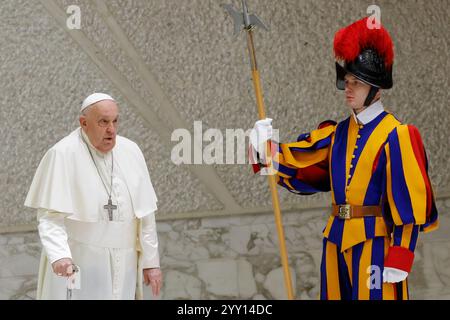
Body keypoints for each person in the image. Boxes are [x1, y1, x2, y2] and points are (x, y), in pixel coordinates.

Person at [250, 17, 439, 300]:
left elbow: (408, 201)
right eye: (348, 81)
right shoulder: (337, 133)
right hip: (335, 238)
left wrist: (402, 253)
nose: (349, 88)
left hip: (375, 242)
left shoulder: (397, 135)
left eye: (357, 83)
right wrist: (264, 146)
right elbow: (302, 163)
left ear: (376, 88)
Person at [25, 93, 162, 300]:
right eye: (103, 122)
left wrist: (151, 263)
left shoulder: (131, 151)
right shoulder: (62, 154)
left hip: (124, 262)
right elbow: (50, 216)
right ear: (84, 123)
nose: (111, 130)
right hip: (80, 260)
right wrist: (60, 255)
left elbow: (146, 215)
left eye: (115, 121)